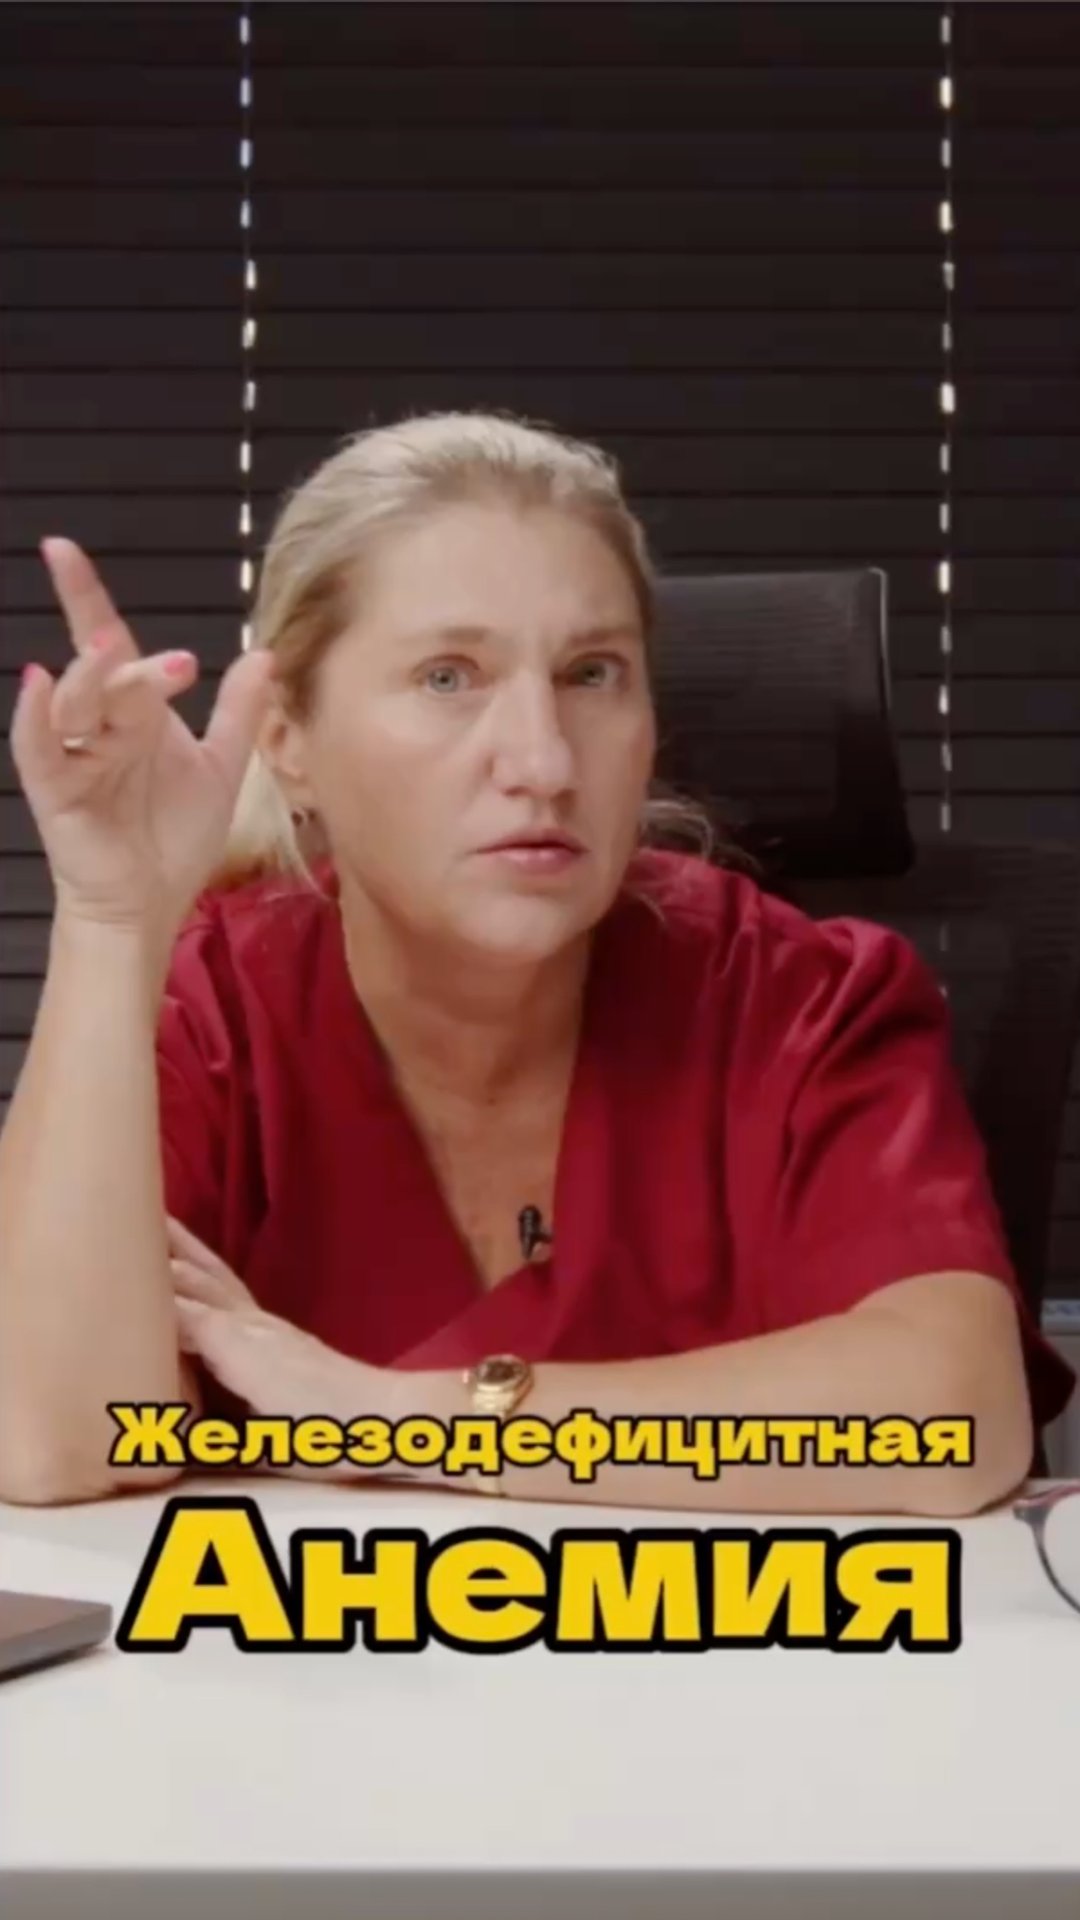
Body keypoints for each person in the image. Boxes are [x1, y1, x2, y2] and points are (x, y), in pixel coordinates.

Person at [0, 411, 1073, 1515]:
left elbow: (957, 1422)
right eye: (448, 677)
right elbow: (52, 1444)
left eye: (592, 673)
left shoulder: (796, 999)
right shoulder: (204, 1010)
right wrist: (110, 918)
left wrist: (386, 1414)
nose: (545, 760)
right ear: (287, 736)